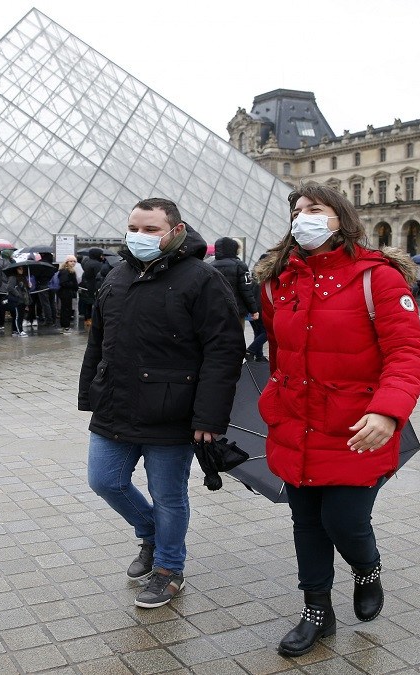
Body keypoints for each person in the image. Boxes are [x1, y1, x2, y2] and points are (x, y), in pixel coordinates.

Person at [253, 182, 420, 656]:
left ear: (341, 218)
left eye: (314, 209)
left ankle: (367, 567)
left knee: (345, 520)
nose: (301, 217)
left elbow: (408, 352)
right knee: (306, 520)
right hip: (295, 420)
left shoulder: (378, 278)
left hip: (358, 427)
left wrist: (389, 412)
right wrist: (276, 400)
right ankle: (316, 611)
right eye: (296, 210)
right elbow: (278, 353)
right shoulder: (276, 281)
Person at [79, 197, 244, 610]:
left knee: (168, 495)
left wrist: (209, 417)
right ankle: (153, 533)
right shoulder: (116, 275)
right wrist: (90, 392)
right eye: (133, 227)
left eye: (150, 229)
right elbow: (98, 343)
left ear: (176, 230)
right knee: (105, 480)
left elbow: (223, 351)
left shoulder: (201, 279)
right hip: (115, 403)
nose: (139, 236)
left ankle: (170, 569)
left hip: (173, 408)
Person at [209, 237, 261, 338]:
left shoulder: (210, 265)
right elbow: (246, 290)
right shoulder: (240, 265)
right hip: (237, 310)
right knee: (237, 337)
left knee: (220, 337)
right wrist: (253, 310)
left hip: (216, 311)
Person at [3, 266, 30, 336]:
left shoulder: (23, 278)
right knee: (18, 316)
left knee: (19, 315)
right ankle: (19, 330)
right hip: (17, 300)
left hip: (23, 299)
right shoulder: (13, 277)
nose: (21, 270)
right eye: (19, 269)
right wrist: (17, 294)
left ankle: (15, 330)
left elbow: (25, 289)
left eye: (22, 269)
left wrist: (29, 286)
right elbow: (10, 287)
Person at [56, 256, 79, 333]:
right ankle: (65, 326)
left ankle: (65, 326)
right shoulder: (66, 271)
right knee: (66, 309)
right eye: (71, 261)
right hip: (65, 293)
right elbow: (63, 282)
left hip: (67, 292)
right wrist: (73, 284)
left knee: (66, 309)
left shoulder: (69, 270)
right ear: (67, 262)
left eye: (74, 261)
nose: (73, 263)